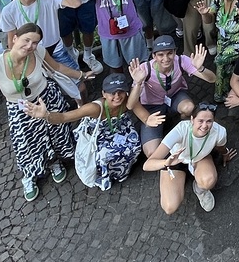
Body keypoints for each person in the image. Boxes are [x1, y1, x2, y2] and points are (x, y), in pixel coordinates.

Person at [0, 23, 90, 201]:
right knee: (26, 144)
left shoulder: (38, 53)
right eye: (26, 40)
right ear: (14, 38)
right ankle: (29, 175)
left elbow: (57, 68)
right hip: (20, 108)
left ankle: (55, 161)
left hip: (46, 99)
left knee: (55, 133)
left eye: (35, 42)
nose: (30, 46)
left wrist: (81, 75)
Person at [25, 72, 160, 191]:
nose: (117, 96)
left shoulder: (127, 101)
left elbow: (144, 117)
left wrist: (149, 120)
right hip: (97, 135)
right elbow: (64, 117)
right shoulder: (94, 108)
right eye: (112, 93)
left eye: (121, 92)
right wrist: (46, 115)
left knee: (134, 144)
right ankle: (105, 175)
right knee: (104, 154)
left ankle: (122, 171)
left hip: (119, 127)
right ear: (104, 94)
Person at [127, 38, 215, 156]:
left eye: (169, 53)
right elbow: (130, 105)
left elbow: (212, 79)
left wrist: (201, 68)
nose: (166, 58)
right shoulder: (145, 69)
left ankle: (183, 127)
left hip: (175, 97)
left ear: (175, 52)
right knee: (151, 152)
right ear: (153, 56)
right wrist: (138, 83)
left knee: (189, 108)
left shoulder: (181, 60)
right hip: (152, 107)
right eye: (160, 55)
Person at [143, 104, 238, 214]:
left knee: (208, 181)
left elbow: (220, 145)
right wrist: (166, 162)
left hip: (200, 157)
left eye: (209, 121)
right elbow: (147, 165)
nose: (204, 126)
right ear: (192, 119)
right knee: (169, 207)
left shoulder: (219, 131)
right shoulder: (180, 130)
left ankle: (200, 189)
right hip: (176, 159)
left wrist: (225, 153)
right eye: (200, 121)